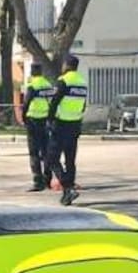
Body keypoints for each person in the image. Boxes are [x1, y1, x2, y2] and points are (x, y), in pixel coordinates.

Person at [47, 55, 88, 205]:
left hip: (61, 124)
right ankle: (67, 194)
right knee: (70, 160)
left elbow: (54, 102)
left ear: (67, 65)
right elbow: (83, 105)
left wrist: (50, 120)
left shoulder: (63, 81)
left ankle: (67, 187)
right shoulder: (82, 83)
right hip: (75, 124)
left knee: (51, 158)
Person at [22, 63, 55, 191]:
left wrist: (24, 118)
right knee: (46, 151)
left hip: (33, 121)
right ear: (41, 72)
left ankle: (37, 181)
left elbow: (26, 103)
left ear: (32, 72)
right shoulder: (47, 85)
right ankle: (48, 179)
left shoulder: (32, 85)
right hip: (45, 121)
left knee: (34, 152)